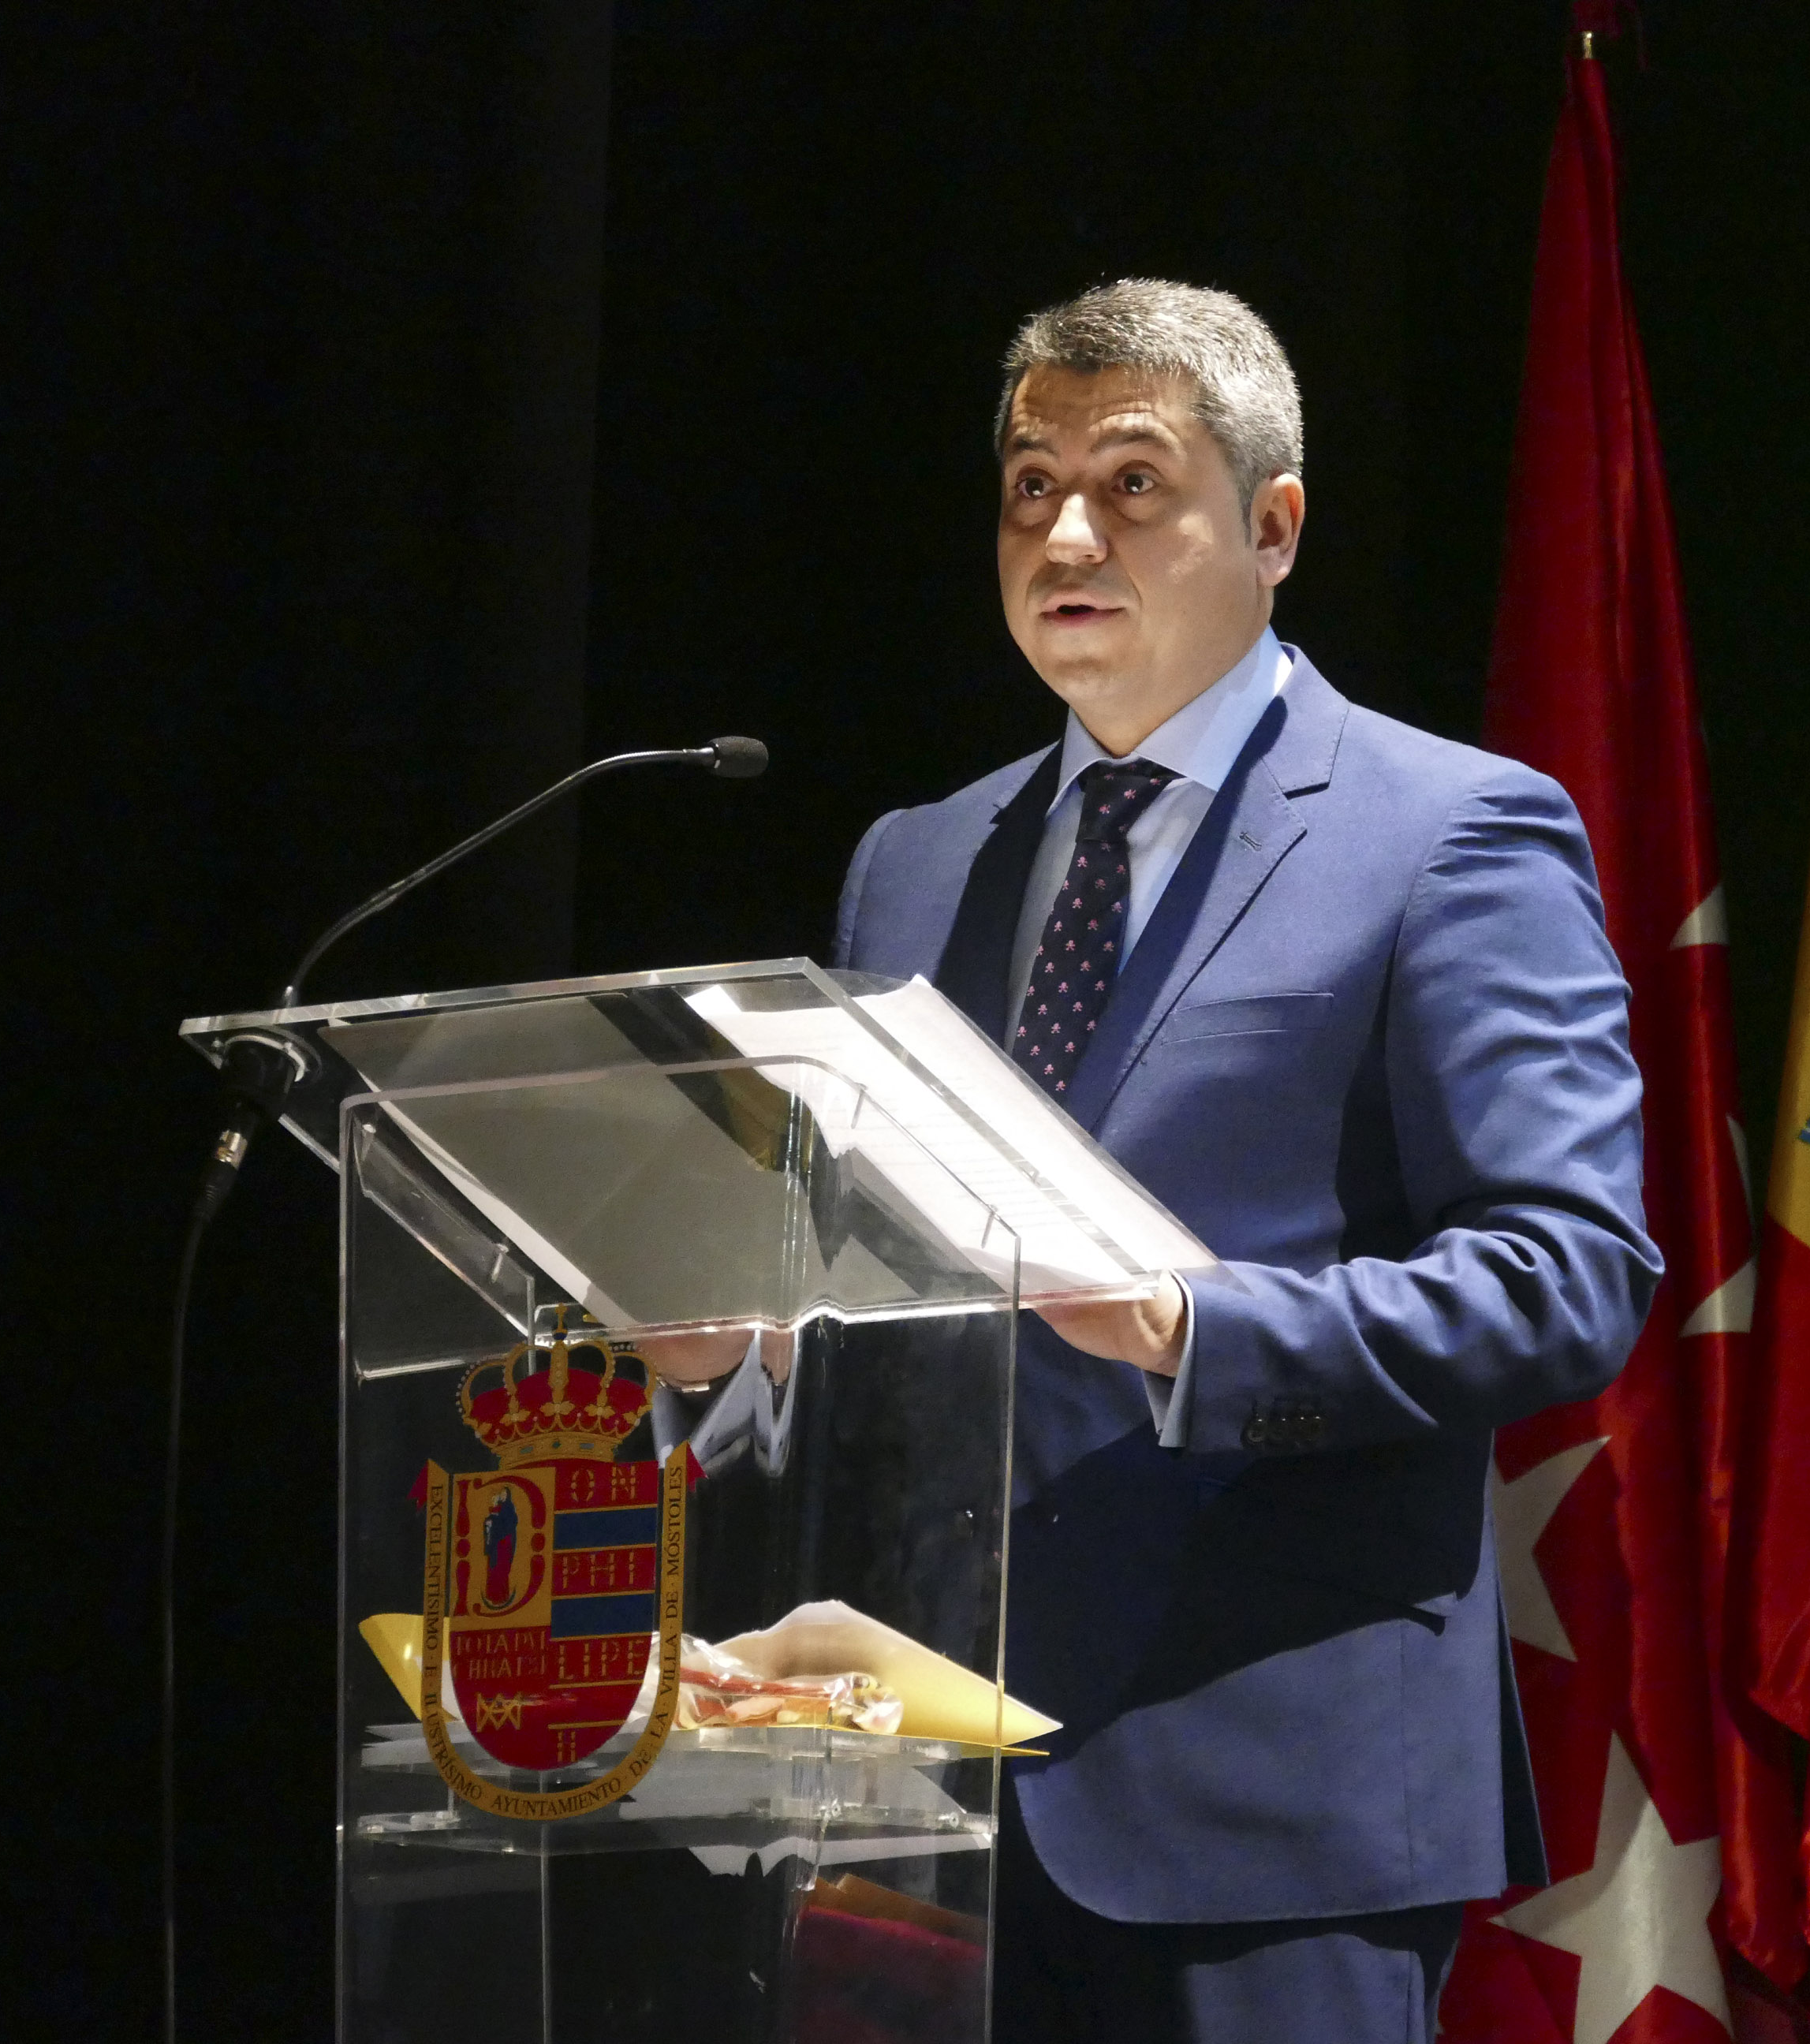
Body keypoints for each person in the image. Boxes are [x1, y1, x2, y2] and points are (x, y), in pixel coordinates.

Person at [691, 279, 1657, 2042]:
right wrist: (744, 1352)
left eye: (1132, 483)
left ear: (1273, 527)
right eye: (1030, 486)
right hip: (923, 1796)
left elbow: (1568, 1275)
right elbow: (883, 1267)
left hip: (1267, 1806)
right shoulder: (915, 864)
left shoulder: (1451, 835)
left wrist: (1190, 1329)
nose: (1066, 534)